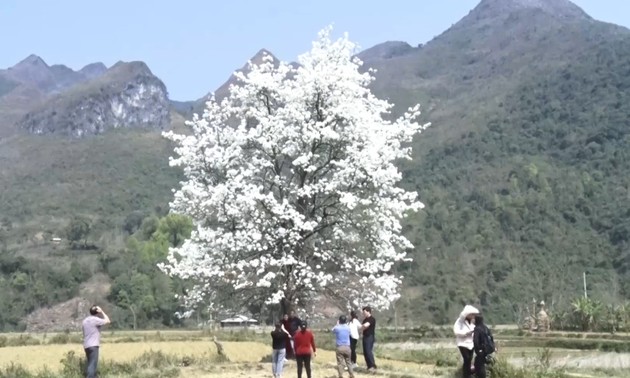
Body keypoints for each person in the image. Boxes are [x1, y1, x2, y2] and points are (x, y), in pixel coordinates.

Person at [82, 305, 111, 378]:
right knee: (93, 364)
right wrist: (102, 312)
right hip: (94, 345)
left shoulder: (85, 321)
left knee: (90, 363)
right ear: (97, 312)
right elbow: (108, 321)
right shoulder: (96, 320)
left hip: (86, 345)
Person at [453, 305, 479, 378]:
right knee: (466, 358)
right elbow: (456, 331)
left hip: (471, 343)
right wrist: (465, 333)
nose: (473, 316)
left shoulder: (472, 322)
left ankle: (468, 374)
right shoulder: (459, 321)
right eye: (472, 314)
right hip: (462, 343)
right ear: (467, 314)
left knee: (469, 360)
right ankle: (466, 375)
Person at [361, 306, 377, 373]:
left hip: (369, 337)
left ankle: (373, 366)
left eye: (364, 312)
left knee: (368, 351)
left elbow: (365, 326)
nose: (364, 313)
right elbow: (362, 328)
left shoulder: (371, 319)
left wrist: (362, 327)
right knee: (365, 352)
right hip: (364, 336)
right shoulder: (364, 320)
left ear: (368, 311)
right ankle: (369, 366)